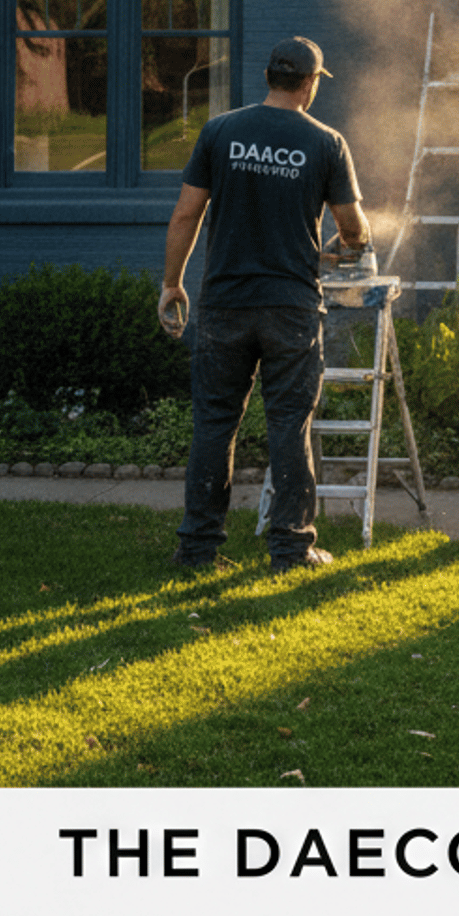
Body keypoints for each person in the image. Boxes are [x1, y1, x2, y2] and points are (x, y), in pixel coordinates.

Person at [160, 37, 369, 573]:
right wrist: (353, 242)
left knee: (214, 423)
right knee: (288, 425)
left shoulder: (220, 131)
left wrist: (172, 284)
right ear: (310, 84)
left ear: (269, 77)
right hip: (290, 308)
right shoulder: (326, 142)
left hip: (225, 304)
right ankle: (292, 550)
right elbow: (352, 228)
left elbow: (185, 215)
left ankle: (198, 550)